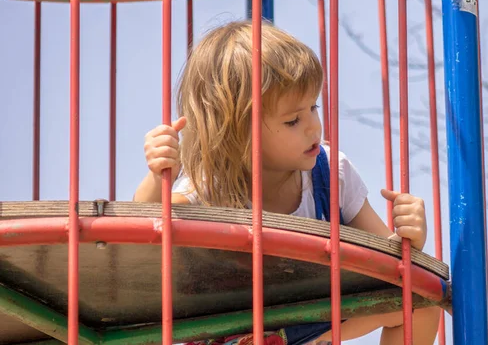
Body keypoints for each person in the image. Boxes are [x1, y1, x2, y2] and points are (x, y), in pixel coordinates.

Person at [133, 21, 441, 345]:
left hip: (307, 324)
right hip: (233, 333)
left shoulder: (330, 171)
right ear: (239, 131)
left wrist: (408, 239)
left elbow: (389, 266)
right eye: (293, 120)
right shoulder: (211, 189)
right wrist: (158, 178)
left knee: (419, 302)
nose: (313, 127)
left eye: (313, 107)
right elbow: (143, 231)